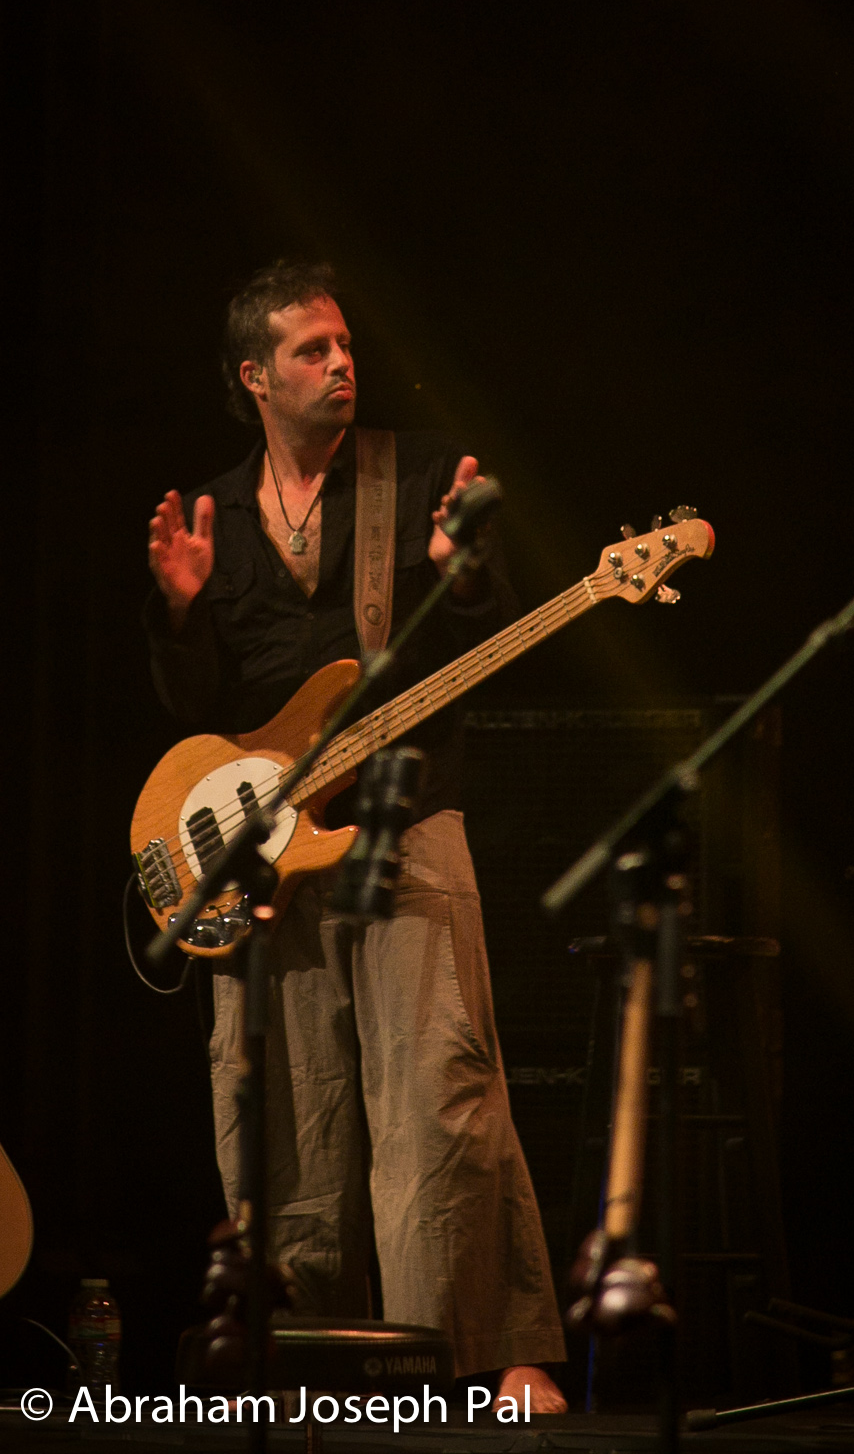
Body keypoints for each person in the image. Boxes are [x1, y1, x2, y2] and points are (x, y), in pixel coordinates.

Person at [145, 260, 567, 1411]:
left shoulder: (418, 472)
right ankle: (302, 1358)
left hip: (404, 815)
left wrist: (462, 576)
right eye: (311, 350)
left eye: (344, 345)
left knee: (444, 1092)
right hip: (265, 847)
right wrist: (178, 611)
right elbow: (198, 708)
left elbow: (481, 623)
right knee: (287, 1111)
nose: (341, 363)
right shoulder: (217, 516)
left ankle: (484, 1354)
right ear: (255, 377)